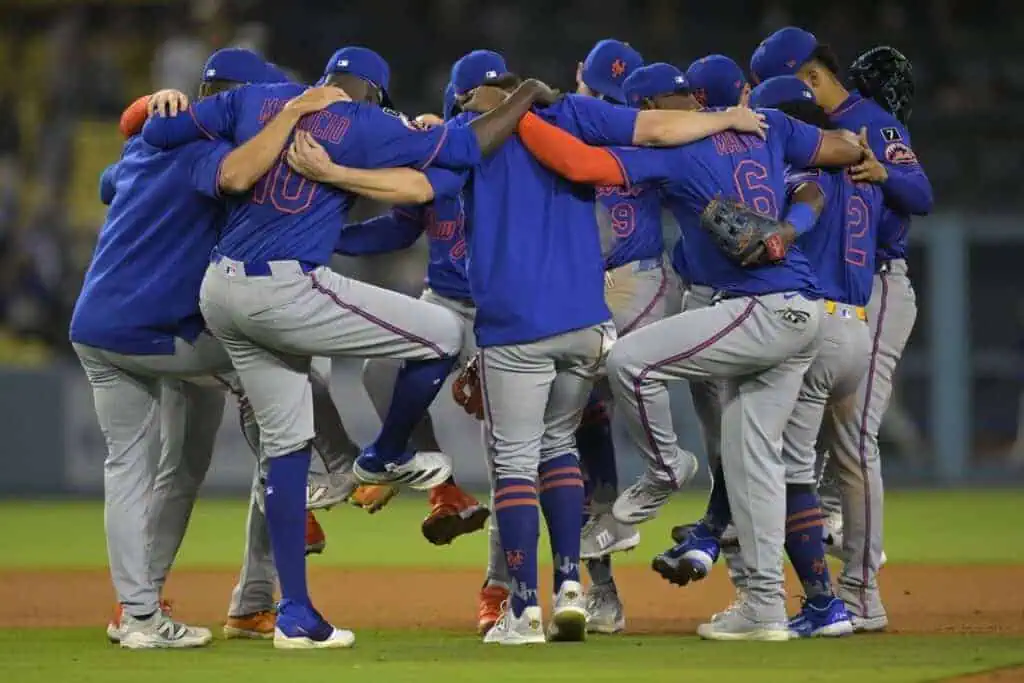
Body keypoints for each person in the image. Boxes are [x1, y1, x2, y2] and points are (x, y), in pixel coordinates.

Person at [141, 45, 557, 648]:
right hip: (286, 285)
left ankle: (295, 615)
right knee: (440, 332)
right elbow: (466, 150)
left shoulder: (255, 99)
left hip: (220, 290)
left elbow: (159, 133)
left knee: (286, 447)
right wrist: (526, 95)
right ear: (375, 92)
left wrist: (158, 102)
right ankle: (386, 454)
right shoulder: (366, 122)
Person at [512, 93, 865, 641]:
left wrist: (517, 119)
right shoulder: (767, 132)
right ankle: (766, 607)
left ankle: (665, 469)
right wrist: (866, 153)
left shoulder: (685, 152)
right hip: (804, 313)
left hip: (763, 307)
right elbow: (836, 152)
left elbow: (581, 164)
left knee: (631, 359)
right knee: (755, 463)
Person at [72, 49, 349, 649]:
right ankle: (318, 476)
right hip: (163, 334)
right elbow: (240, 177)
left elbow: (104, 184)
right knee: (283, 364)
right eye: (264, 102)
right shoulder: (210, 153)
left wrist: (146, 111)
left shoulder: (143, 147)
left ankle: (140, 615)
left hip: (98, 328)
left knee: (143, 469)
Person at [655, 75, 888, 639]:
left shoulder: (789, 174)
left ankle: (819, 600)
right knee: (851, 460)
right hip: (859, 323)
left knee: (781, 471)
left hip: (808, 322)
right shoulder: (864, 174)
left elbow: (767, 226)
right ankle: (861, 594)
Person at [751, 30, 932, 631]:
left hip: (876, 287)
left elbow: (921, 193)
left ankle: (860, 590)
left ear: (808, 78)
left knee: (854, 440)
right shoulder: (825, 142)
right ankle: (835, 547)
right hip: (847, 295)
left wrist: (883, 173)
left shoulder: (867, 124)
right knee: (831, 438)